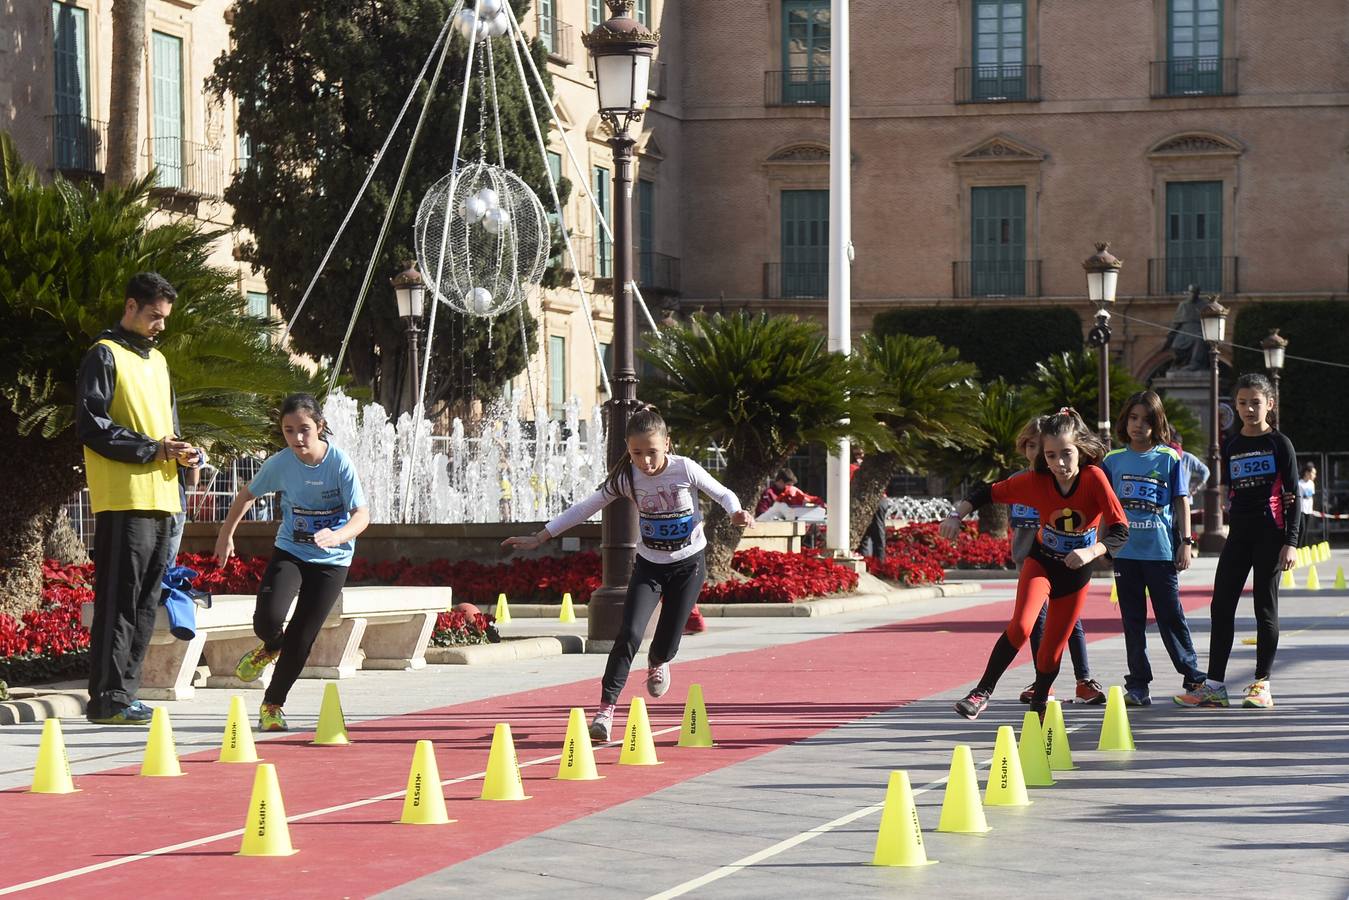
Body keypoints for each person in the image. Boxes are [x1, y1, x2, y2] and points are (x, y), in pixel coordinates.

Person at [502, 406, 753, 742]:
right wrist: (541, 536)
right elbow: (585, 508)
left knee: (667, 639)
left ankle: (660, 659)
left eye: (652, 453)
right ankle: (605, 712)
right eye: (637, 454)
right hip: (649, 566)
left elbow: (722, 493)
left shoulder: (684, 469)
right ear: (628, 450)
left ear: (667, 444)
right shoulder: (626, 478)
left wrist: (736, 511)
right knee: (629, 635)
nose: (646, 463)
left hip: (688, 564)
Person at [940, 408, 1128, 720]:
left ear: (1080, 449)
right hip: (1041, 564)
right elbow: (986, 492)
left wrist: (1092, 551)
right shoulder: (1036, 481)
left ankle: (1039, 704)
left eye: (1067, 454)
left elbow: (1121, 529)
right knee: (1022, 625)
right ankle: (981, 693)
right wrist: (956, 514)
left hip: (1076, 573)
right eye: (1052, 456)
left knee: (1051, 651)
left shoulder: (1094, 479)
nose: (1061, 464)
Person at [77, 272, 205, 725]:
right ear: (130, 307)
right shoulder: (103, 355)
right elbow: (92, 425)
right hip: (124, 498)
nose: (160, 325)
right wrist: (153, 449)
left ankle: (126, 694)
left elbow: (165, 428)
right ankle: (107, 698)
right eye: (154, 316)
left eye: (165, 318)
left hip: (164, 497)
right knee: (120, 598)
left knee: (147, 600)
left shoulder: (159, 361)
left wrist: (184, 451)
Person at [214, 393, 370, 731]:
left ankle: (272, 704)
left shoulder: (339, 463)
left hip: (333, 560)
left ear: (320, 427)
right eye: (289, 430)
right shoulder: (280, 464)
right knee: (267, 619)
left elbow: (362, 514)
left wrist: (338, 536)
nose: (298, 439)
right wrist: (226, 534)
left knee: (302, 637)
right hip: (292, 552)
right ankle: (271, 645)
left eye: (304, 430)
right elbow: (246, 495)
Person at [1175, 374, 1300, 710]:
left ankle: (1262, 683)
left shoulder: (1279, 443)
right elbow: (1233, 493)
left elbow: (1293, 495)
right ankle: (1214, 685)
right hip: (1239, 537)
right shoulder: (1231, 445)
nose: (1248, 408)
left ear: (1269, 404)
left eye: (1255, 402)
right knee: (1221, 606)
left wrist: (1291, 541)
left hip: (1271, 536)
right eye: (1242, 402)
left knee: (1265, 608)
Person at [1101, 391, 1206, 707]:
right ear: (1125, 420)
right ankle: (1138, 685)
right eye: (1133, 418)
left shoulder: (1170, 458)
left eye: (1146, 420)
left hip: (1160, 553)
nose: (1138, 426)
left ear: (1156, 423)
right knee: (1132, 621)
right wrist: (1099, 545)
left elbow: (1182, 502)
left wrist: (1186, 543)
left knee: (1170, 617)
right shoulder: (1112, 460)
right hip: (1126, 554)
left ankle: (1194, 678)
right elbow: (1103, 505)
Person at [1297, 462, 1318, 548]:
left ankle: (1304, 548)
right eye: (1313, 473)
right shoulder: (1299, 484)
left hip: (1308, 510)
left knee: (1306, 531)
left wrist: (1311, 509)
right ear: (1307, 473)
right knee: (1302, 530)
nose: (1314, 475)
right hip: (1301, 510)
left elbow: (1310, 497)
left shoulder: (1311, 484)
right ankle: (1298, 548)